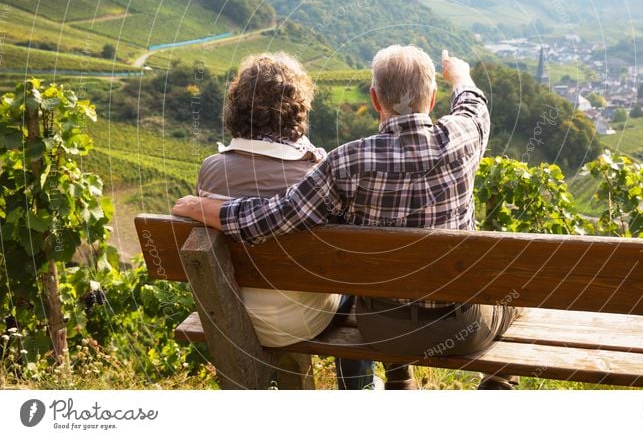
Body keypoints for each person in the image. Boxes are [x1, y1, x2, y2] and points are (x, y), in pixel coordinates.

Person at [173, 46, 519, 390]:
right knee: (513, 291)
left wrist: (207, 208)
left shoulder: (345, 162)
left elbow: (272, 217)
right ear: (431, 101)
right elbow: (472, 103)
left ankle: (399, 378)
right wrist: (459, 74)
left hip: (384, 328)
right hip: (461, 329)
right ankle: (499, 383)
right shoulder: (464, 135)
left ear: (374, 99)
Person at [195, 52, 374, 390]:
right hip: (306, 318)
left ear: (238, 107)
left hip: (234, 316)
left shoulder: (211, 169)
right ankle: (360, 389)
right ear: (297, 108)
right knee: (357, 283)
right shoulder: (316, 173)